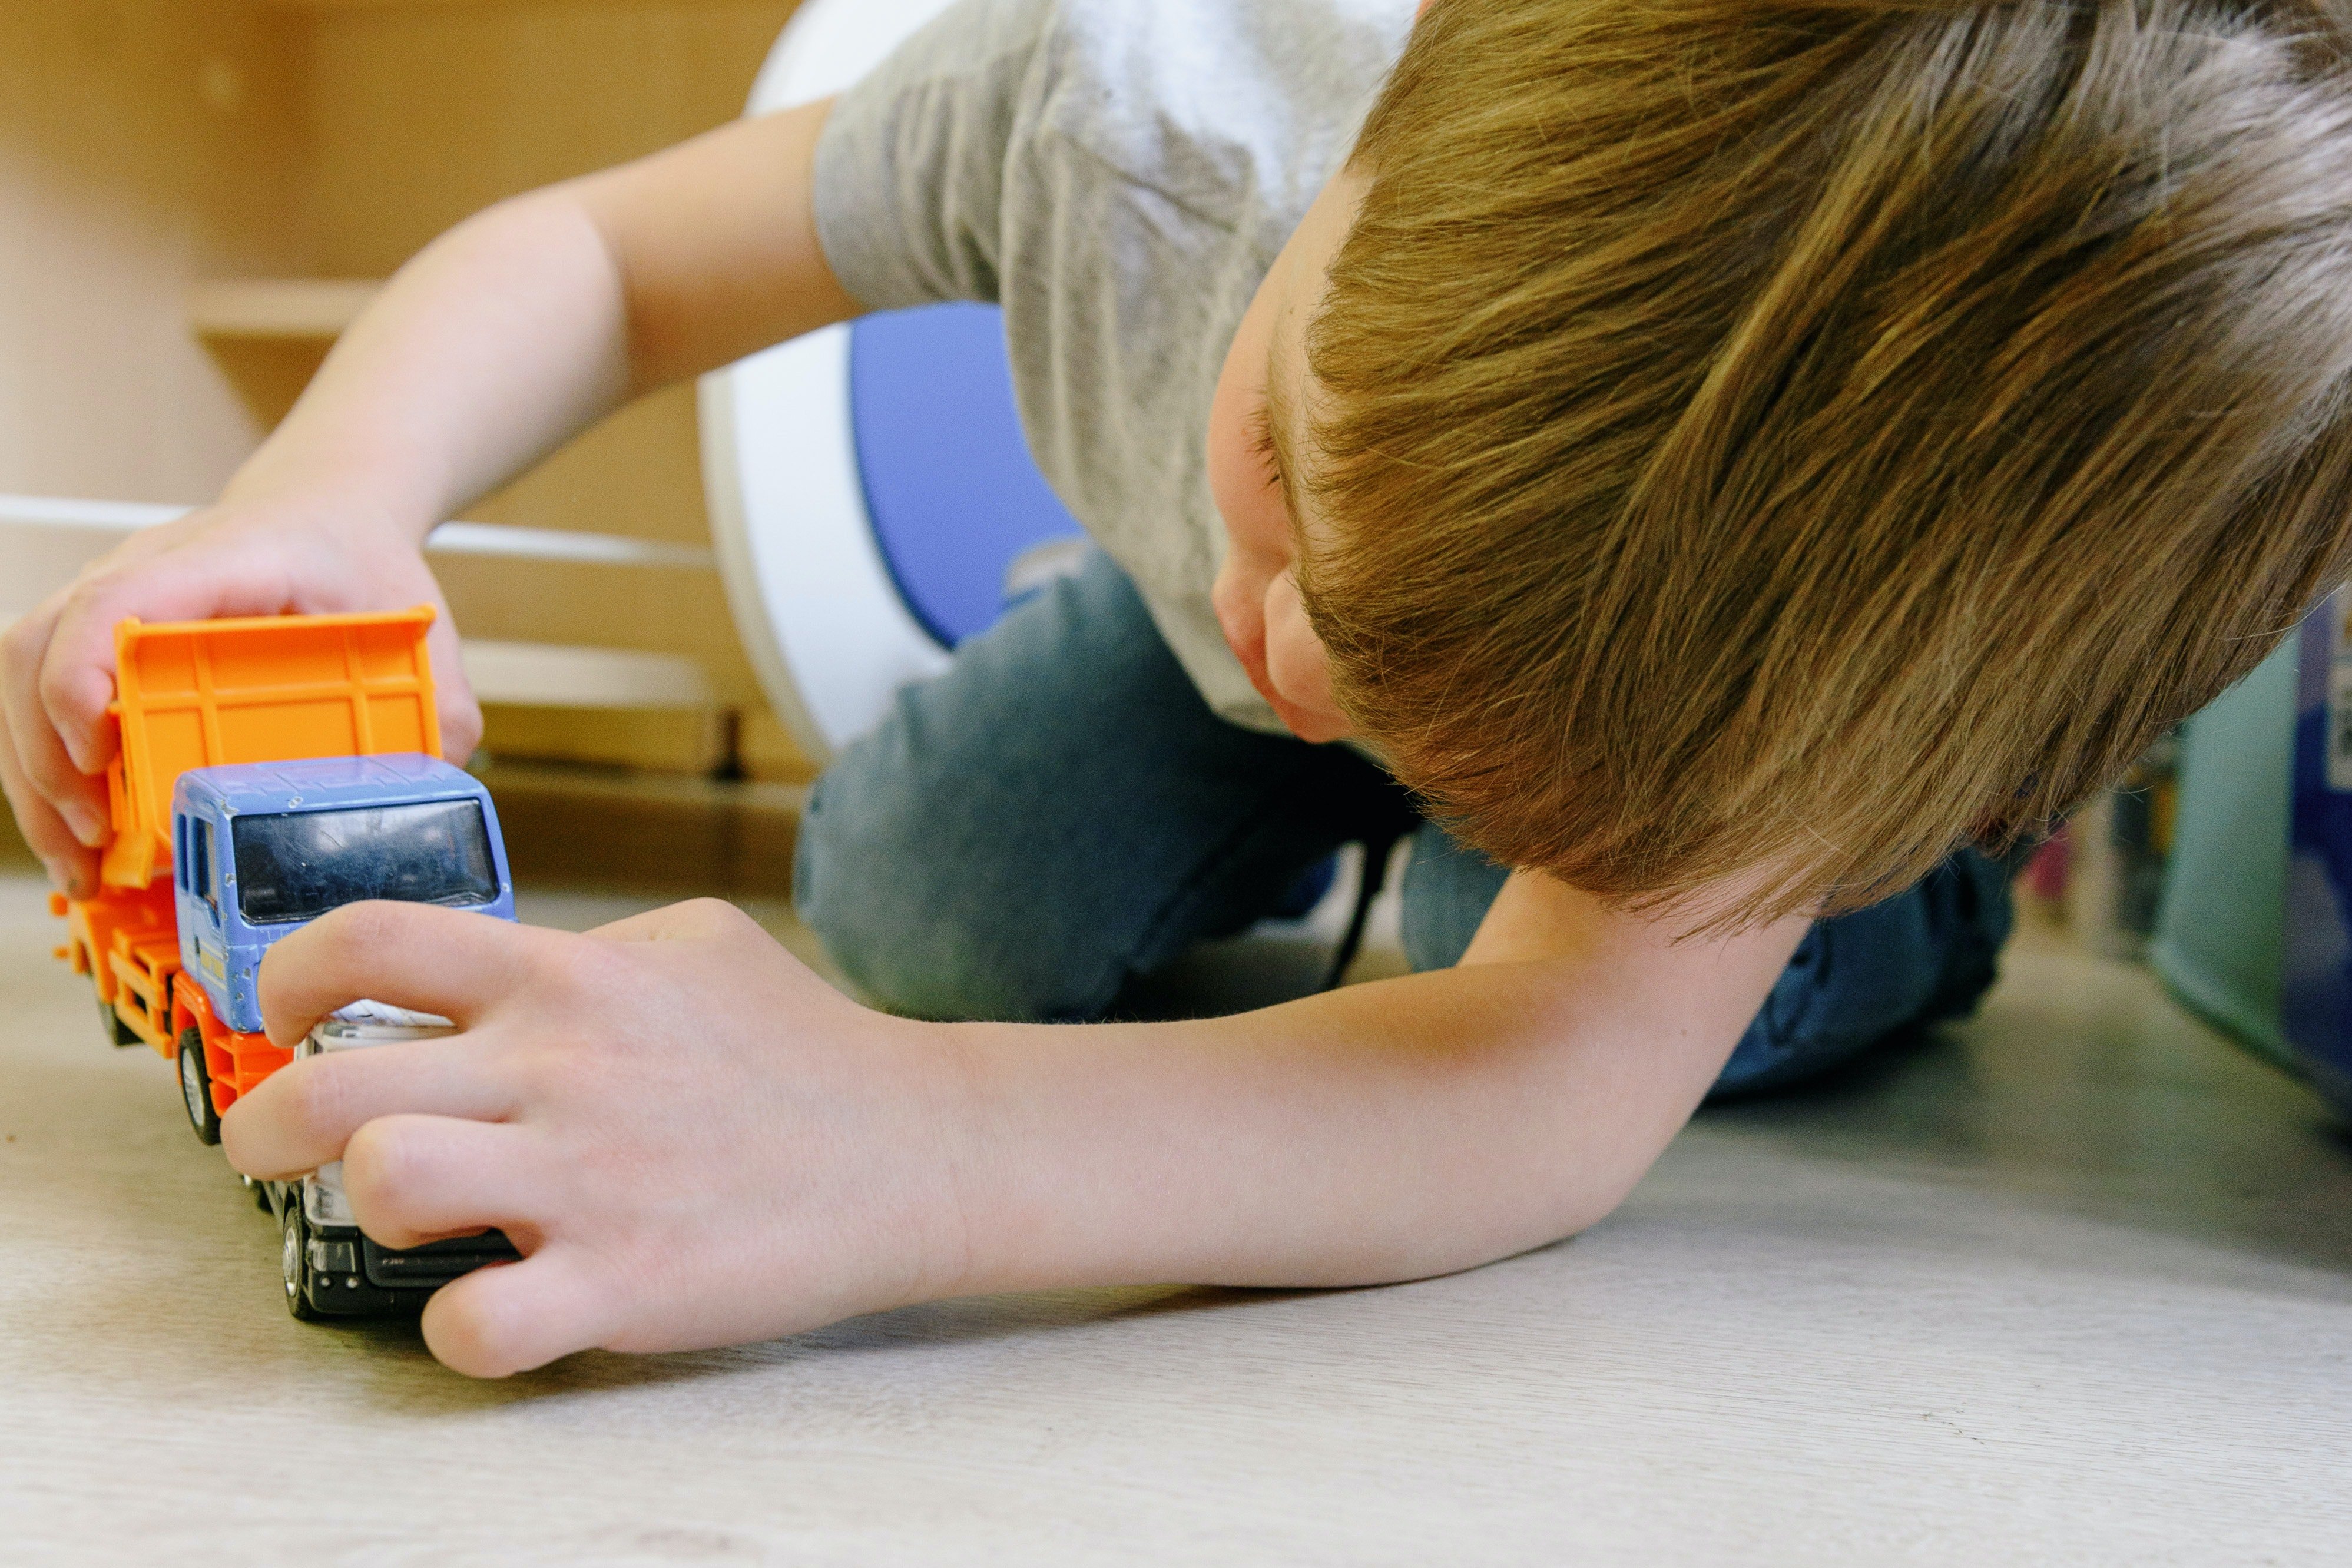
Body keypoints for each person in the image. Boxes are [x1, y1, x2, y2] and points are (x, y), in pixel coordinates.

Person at [8, 0, 2351, 1378]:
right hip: (1201, 630)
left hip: (1661, 805)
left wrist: (918, 1150)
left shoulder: (1794, 642)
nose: (1309, 649)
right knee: (925, 898)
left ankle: (1875, 926)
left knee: (1485, 964)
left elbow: (1528, 1097)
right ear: (1381, 133)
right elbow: (605, 257)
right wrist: (332, 495)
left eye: (1429, 687)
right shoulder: (1128, 106)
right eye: (1299, 485)